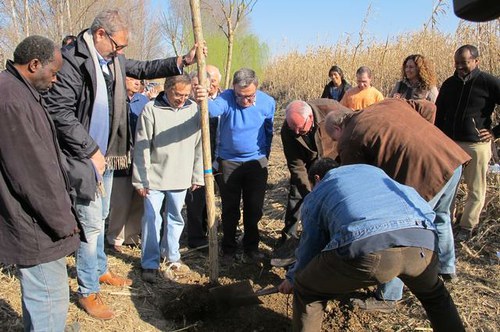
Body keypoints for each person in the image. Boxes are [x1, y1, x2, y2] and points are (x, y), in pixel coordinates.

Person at [44, 8, 204, 319]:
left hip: (107, 156)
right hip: (81, 158)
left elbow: (144, 68)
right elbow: (59, 112)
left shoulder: (111, 59)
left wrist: (182, 60)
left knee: (102, 217)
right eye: (118, 45)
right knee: (90, 226)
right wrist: (91, 150)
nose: (121, 52)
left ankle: (100, 269)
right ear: (100, 34)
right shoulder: (71, 62)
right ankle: (88, 290)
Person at [278, 159, 465, 332]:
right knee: (435, 296)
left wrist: (294, 278)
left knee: (308, 289)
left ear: (317, 179)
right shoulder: (371, 172)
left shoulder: (320, 191)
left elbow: (311, 246)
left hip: (368, 246)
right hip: (422, 240)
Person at [324, 98, 471, 311]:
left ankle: (388, 297)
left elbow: (355, 181)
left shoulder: (350, 136)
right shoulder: (387, 103)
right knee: (441, 216)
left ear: (338, 128)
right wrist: (421, 135)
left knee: (400, 229)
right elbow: (429, 107)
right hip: (449, 158)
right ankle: (447, 269)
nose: (335, 143)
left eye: (333, 138)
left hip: (425, 173)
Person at [0, 36, 81, 331]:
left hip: (36, 222)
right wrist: (63, 222)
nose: (56, 79)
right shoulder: (11, 101)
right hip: (36, 227)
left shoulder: (18, 92)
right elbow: (31, 175)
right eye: (53, 72)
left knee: (40, 296)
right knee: (49, 297)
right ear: (34, 65)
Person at [195, 68, 275, 263]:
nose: (244, 100)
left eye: (249, 96)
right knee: (230, 208)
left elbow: (269, 130)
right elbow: (212, 110)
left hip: (256, 163)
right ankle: (228, 248)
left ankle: (251, 248)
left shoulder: (268, 102)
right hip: (228, 162)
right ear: (233, 89)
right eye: (240, 95)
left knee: (254, 208)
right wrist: (202, 98)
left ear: (256, 88)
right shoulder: (226, 98)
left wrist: (264, 156)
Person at [133, 74, 203, 283]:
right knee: (152, 220)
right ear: (167, 89)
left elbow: (199, 145)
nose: (181, 99)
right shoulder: (151, 110)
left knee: (175, 218)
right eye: (177, 94)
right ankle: (150, 263)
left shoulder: (194, 110)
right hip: (154, 177)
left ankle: (172, 256)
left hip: (181, 176)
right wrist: (140, 179)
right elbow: (142, 146)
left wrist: (197, 173)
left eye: (185, 94)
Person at [272, 99, 348, 267]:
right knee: (297, 195)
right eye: (294, 128)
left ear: (311, 118)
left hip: (334, 160)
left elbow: (353, 129)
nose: (297, 132)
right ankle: (289, 239)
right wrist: (310, 194)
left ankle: (334, 240)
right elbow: (295, 165)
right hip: (308, 164)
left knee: (336, 201)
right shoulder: (288, 129)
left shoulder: (331, 110)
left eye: (301, 127)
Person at [435, 44, 500, 240]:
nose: (459, 67)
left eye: (464, 63)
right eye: (456, 63)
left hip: (476, 145)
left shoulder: (487, 82)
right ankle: (446, 221)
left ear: (476, 61)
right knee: (448, 186)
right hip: (450, 144)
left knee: (476, 188)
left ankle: (467, 226)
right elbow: (439, 113)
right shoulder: (449, 84)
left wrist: (495, 132)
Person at [106, 77, 149, 252]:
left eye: (139, 80)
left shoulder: (143, 101)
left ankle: (131, 236)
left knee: (138, 197)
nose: (137, 82)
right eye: (132, 79)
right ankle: (114, 237)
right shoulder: (114, 98)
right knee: (120, 199)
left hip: (140, 155)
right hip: (119, 155)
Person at [185, 65, 222, 249]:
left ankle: (210, 230)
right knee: (194, 200)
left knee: (210, 199)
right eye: (194, 85)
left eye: (202, 85)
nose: (197, 89)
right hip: (193, 161)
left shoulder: (218, 105)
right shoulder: (187, 106)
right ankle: (195, 237)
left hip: (216, 158)